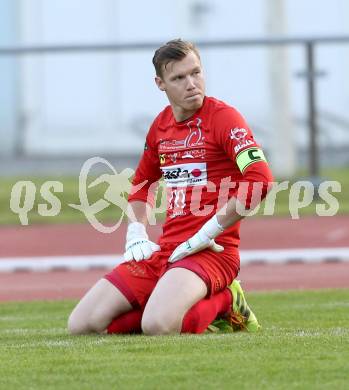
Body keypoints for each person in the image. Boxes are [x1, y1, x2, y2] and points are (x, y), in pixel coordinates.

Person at [68, 39, 273, 335]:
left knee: (157, 326)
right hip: (168, 250)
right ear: (160, 83)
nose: (192, 84)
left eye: (196, 72)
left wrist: (209, 231)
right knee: (82, 325)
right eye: (179, 77)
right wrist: (136, 232)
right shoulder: (160, 126)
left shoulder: (224, 118)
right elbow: (142, 184)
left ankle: (228, 299)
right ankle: (167, 298)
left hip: (213, 251)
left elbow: (260, 179)